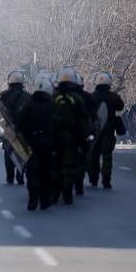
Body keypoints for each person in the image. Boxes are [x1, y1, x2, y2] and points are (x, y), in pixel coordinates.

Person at [51, 68, 92, 206]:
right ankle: (67, 193)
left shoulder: (53, 97)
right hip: (72, 138)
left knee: (55, 165)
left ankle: (55, 193)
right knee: (69, 166)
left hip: (55, 138)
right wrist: (84, 137)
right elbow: (84, 120)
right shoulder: (78, 99)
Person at [15, 77, 56, 210]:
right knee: (46, 171)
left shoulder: (28, 104)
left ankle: (33, 199)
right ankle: (44, 200)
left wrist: (24, 137)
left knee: (32, 171)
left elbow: (19, 124)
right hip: (48, 143)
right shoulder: (52, 105)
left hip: (31, 143)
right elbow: (58, 124)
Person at [87, 71, 125, 189]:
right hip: (108, 130)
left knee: (94, 155)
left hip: (94, 131)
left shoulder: (92, 96)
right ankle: (106, 180)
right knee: (107, 156)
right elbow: (120, 106)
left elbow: (87, 110)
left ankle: (93, 179)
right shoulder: (113, 96)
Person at [0, 71, 29, 185]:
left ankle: (10, 176)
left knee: (8, 152)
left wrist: (2, 126)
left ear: (9, 82)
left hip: (8, 130)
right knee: (23, 152)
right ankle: (20, 176)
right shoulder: (27, 96)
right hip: (23, 130)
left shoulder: (3, 96)